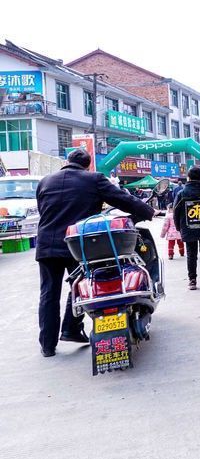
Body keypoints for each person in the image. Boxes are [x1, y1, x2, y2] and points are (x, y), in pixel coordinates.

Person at [35, 148, 155, 358]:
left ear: (67, 162)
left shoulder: (46, 181)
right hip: (78, 244)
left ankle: (47, 345)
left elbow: (43, 209)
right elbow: (121, 199)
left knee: (48, 294)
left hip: (46, 245)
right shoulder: (93, 179)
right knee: (81, 286)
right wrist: (147, 211)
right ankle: (70, 329)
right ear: (88, 165)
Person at [173, 166, 200, 290]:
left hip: (188, 228)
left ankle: (192, 280)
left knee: (191, 253)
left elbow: (175, 212)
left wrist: (178, 227)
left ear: (188, 177)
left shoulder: (181, 193)